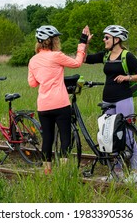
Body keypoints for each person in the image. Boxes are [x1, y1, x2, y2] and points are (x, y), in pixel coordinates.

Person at [84, 25, 137, 183]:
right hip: (108, 101)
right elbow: (85, 59)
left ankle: (135, 170)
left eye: (107, 37)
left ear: (116, 39)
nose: (104, 40)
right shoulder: (106, 55)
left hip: (123, 99)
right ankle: (117, 171)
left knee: (127, 135)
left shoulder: (127, 56)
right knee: (109, 137)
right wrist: (85, 43)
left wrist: (127, 78)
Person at [28, 25, 89, 174]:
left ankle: (47, 171)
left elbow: (32, 83)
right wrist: (82, 44)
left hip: (43, 106)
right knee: (65, 137)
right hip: (60, 104)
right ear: (53, 41)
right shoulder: (57, 56)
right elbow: (77, 63)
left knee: (47, 138)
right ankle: (62, 172)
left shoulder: (33, 60)